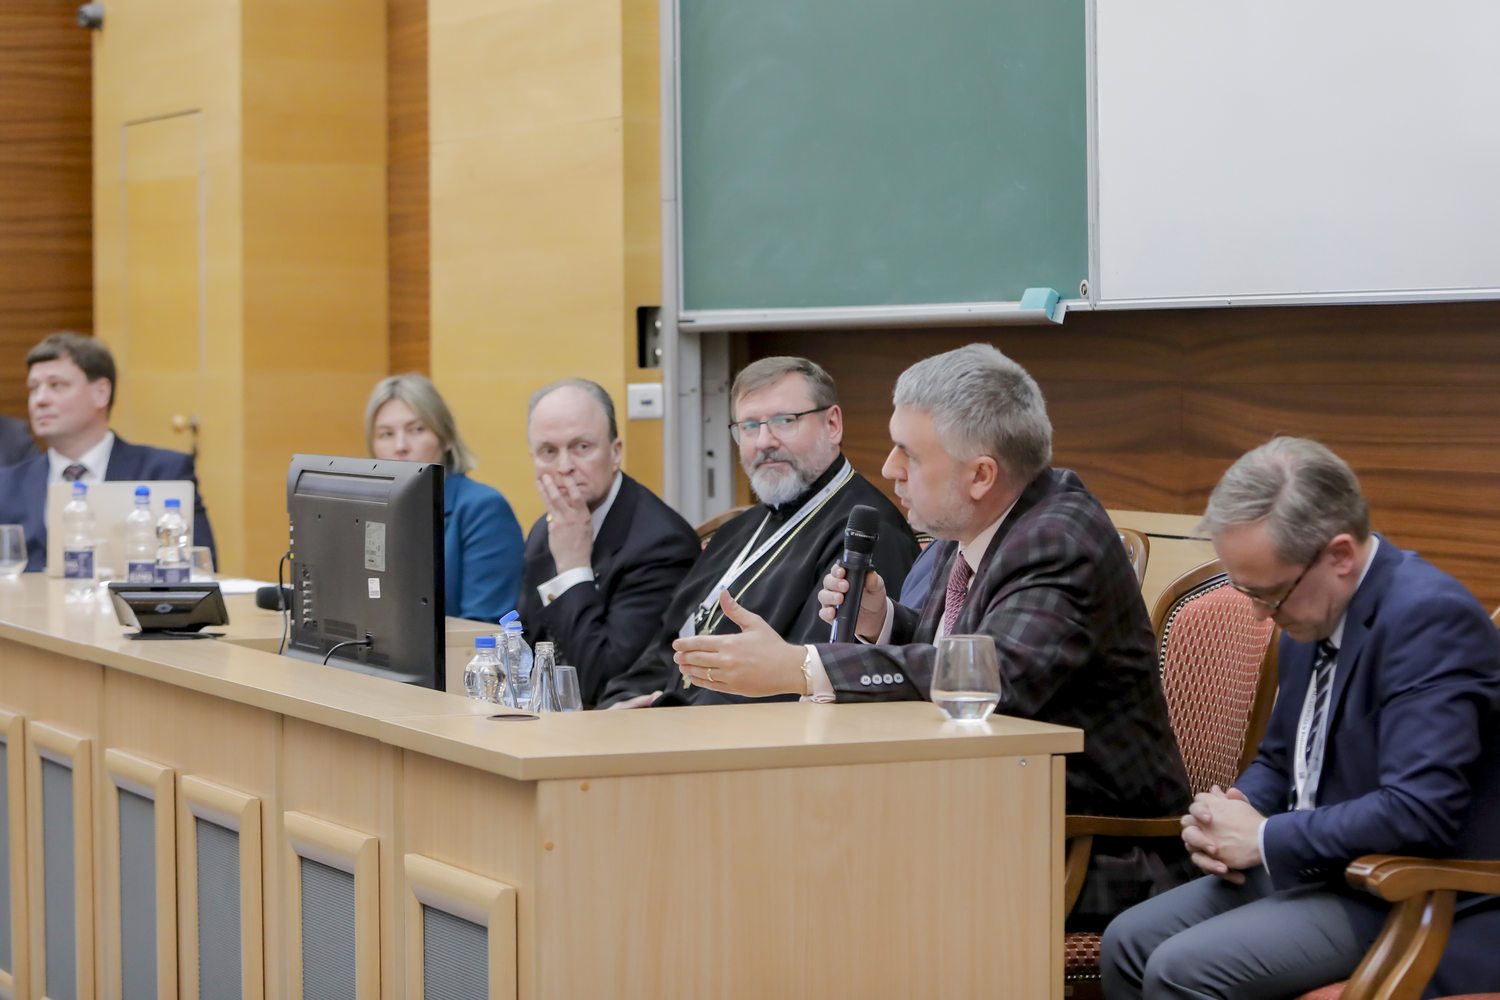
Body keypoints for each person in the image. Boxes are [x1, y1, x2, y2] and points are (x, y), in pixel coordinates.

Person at [671, 344, 1189, 921]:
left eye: (910, 455)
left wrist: (801, 665)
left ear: (980, 475)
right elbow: (954, 648)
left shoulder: (1058, 542)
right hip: (988, 817)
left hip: (1087, 848)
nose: (890, 467)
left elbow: (990, 679)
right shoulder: (965, 527)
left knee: (816, 869)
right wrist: (884, 621)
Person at [1099, 436, 1500, 999]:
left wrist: (1264, 837)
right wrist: (1233, 810)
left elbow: (1419, 811)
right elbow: (1280, 758)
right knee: (1126, 942)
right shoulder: (1311, 608)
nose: (1259, 614)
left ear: (1340, 555)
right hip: (1323, 867)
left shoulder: (1430, 622)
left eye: (1269, 594)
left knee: (1180, 968)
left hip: (1414, 893)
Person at [598, 356, 919, 708]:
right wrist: (621, 703)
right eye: (749, 426)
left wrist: (667, 715)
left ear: (832, 424)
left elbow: (811, 680)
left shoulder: (867, 534)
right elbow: (667, 645)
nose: (764, 441)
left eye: (784, 421)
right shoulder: (734, 532)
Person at [517, 379, 699, 705]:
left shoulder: (662, 544)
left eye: (582, 447)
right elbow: (526, 643)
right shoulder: (547, 528)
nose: (564, 467)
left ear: (615, 453)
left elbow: (603, 682)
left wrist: (572, 569)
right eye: (548, 452)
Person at [0, 332, 216, 572]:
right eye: (33, 388)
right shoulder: (7, 485)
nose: (39, 400)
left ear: (101, 392)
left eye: (56, 385)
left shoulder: (163, 473)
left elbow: (201, 568)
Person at [365, 373, 523, 623]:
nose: (400, 446)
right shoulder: (368, 513)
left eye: (416, 429)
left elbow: (483, 626)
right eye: (386, 434)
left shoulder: (483, 509)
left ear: (446, 437)